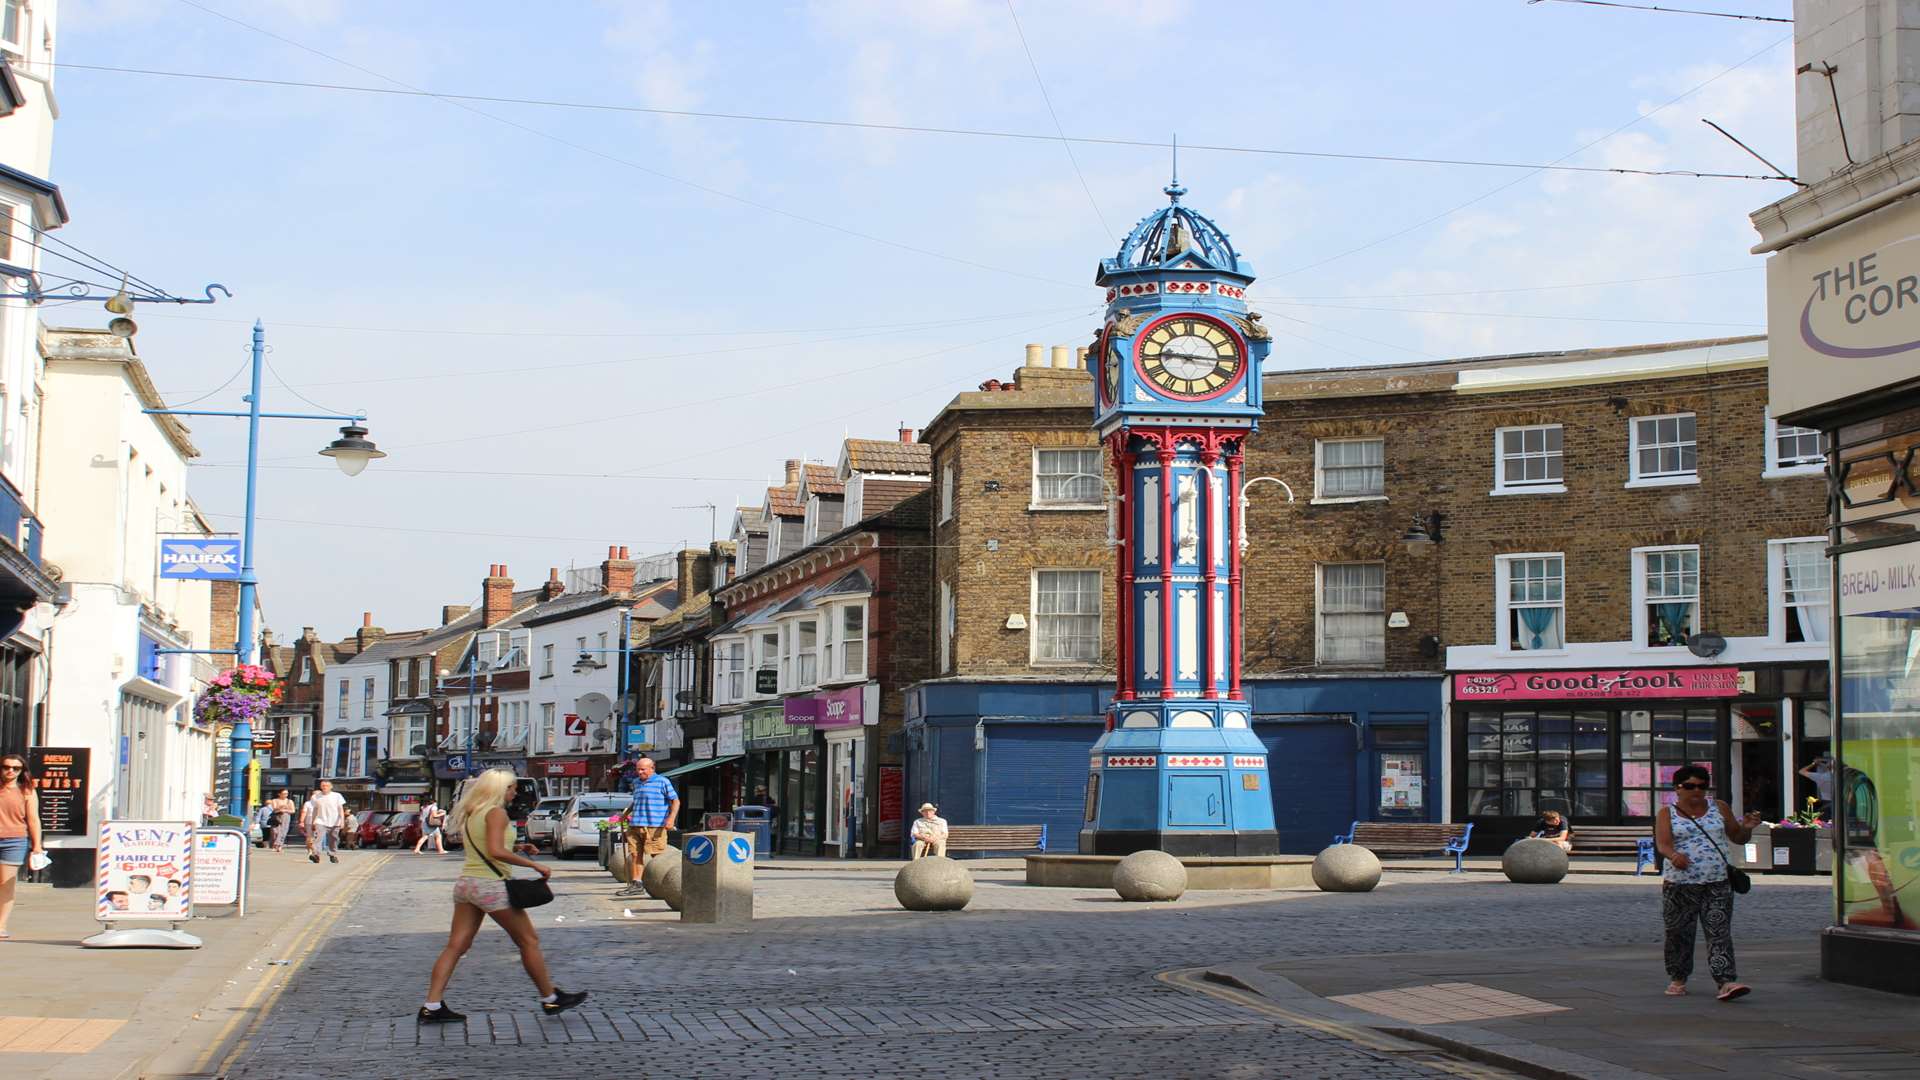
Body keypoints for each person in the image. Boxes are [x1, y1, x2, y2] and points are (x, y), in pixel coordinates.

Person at [420, 768, 584, 1023]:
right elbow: (496, 851)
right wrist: (533, 865)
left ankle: (432, 1005)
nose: (514, 792)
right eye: (511, 788)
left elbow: (487, 845)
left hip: (467, 884)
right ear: (500, 789)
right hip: (491, 885)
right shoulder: (496, 813)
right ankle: (550, 999)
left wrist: (517, 846)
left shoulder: (474, 811)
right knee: (529, 940)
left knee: (456, 946)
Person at [1654, 765, 1762, 1001]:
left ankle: (1726, 981)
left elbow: (1737, 837)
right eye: (1690, 786)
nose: (1697, 791)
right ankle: (1678, 977)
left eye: (1702, 786)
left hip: (1717, 880)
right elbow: (1662, 843)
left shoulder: (1719, 807)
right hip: (1680, 883)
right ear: (1677, 788)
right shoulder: (1666, 813)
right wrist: (1674, 856)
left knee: (1719, 931)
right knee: (1678, 932)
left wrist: (1748, 828)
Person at [619, 757, 680, 898]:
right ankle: (636, 884)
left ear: (652, 768)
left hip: (655, 825)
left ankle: (662, 883)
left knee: (657, 855)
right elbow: (637, 801)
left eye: (643, 769)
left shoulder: (662, 781)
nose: (640, 772)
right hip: (636, 824)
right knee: (635, 855)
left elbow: (675, 801)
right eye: (638, 769)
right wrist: (625, 814)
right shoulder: (636, 783)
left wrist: (671, 819)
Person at [0, 752, 45, 940]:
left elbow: (33, 820)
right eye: (6, 767)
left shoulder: (26, 790)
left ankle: (0, 926)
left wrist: (37, 846)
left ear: (21, 771)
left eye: (15, 768)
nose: (10, 771)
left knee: (5, 885)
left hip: (14, 841)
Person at [302, 779, 348, 865]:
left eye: (327, 786)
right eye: (323, 785)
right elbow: (315, 809)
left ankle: (332, 854)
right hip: (320, 821)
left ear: (331, 787)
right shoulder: (315, 797)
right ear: (320, 786)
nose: (325, 787)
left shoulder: (337, 796)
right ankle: (316, 855)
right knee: (319, 838)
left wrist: (342, 821)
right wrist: (313, 821)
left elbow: (340, 809)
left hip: (335, 821)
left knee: (333, 839)